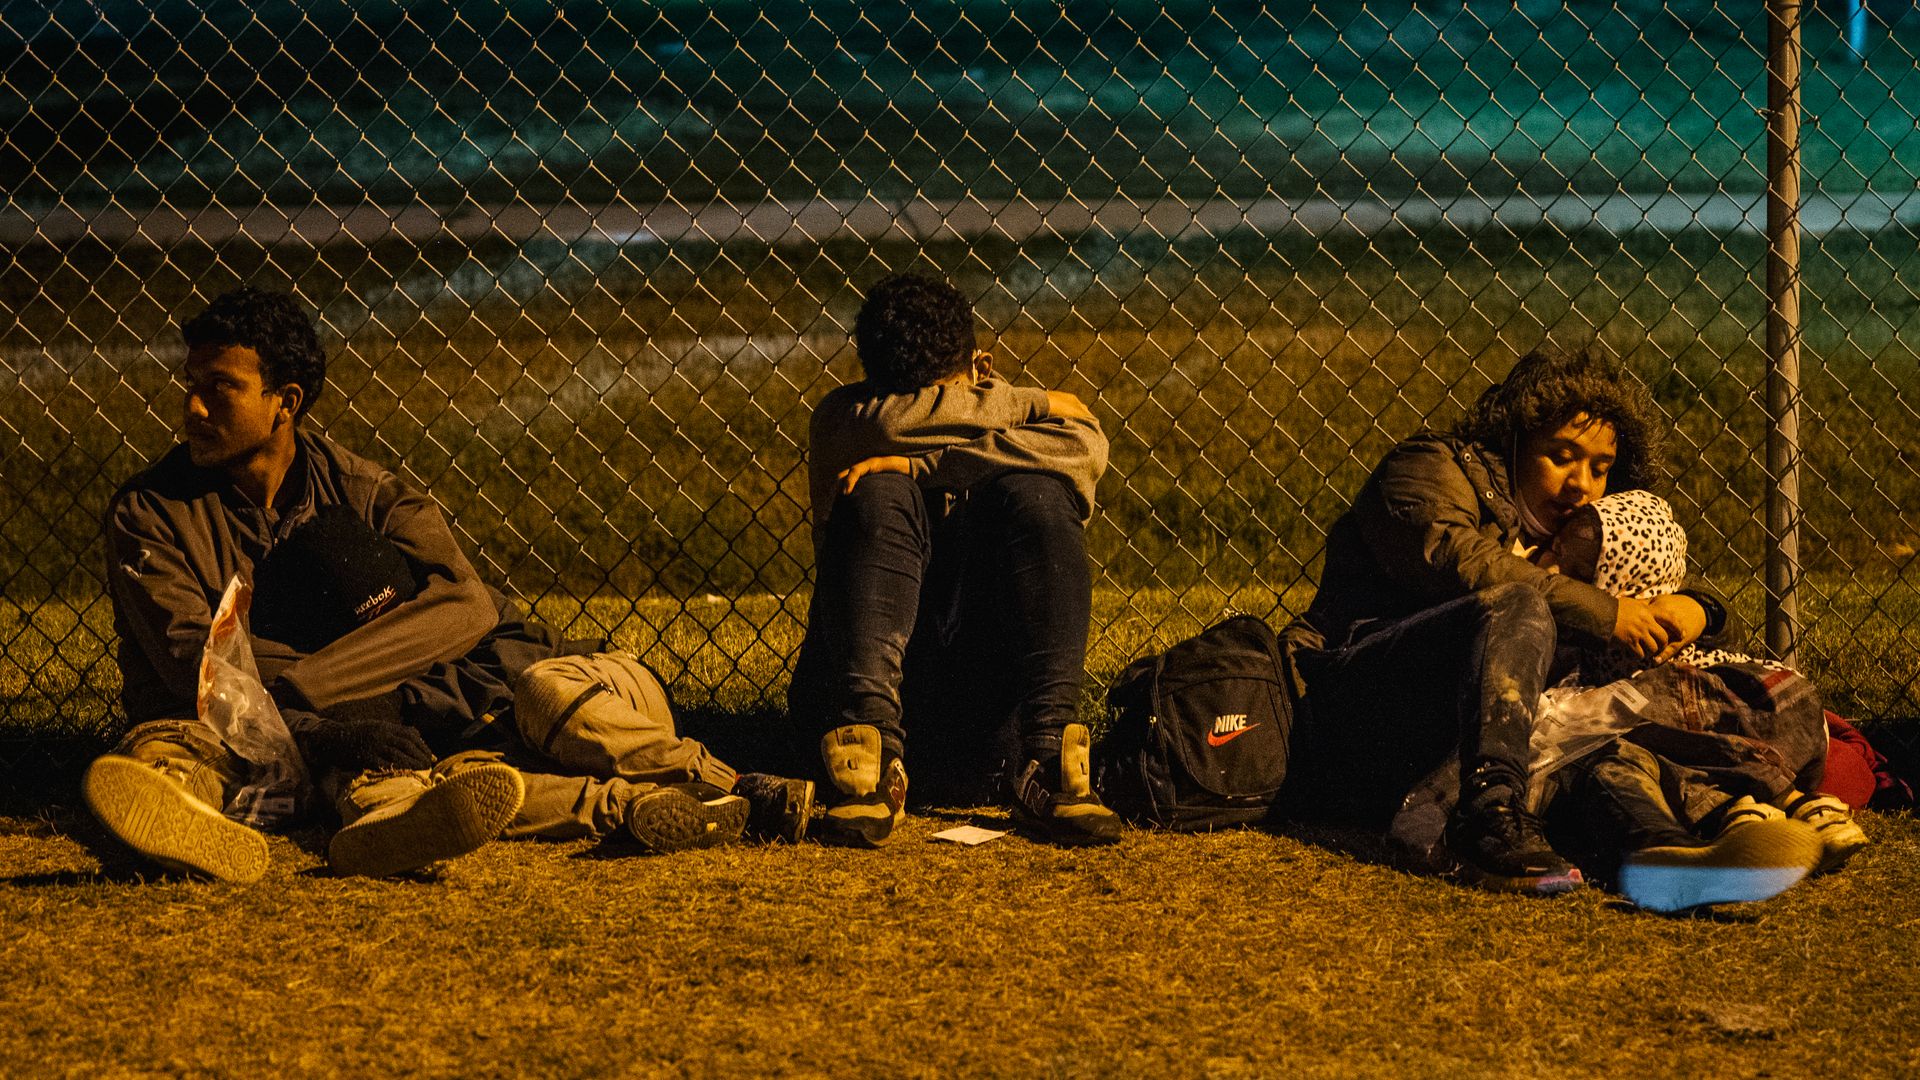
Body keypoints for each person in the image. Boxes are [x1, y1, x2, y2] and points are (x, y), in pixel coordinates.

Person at [84, 286, 810, 883]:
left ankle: (729, 785)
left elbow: (468, 605)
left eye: (221, 389)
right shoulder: (151, 510)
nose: (193, 410)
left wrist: (299, 686)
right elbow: (200, 667)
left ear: (287, 401)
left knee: (526, 706)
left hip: (499, 692)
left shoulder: (367, 493)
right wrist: (337, 703)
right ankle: (201, 824)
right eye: (191, 387)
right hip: (254, 725)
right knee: (205, 751)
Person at [1278, 347, 1737, 892]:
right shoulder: (1426, 469)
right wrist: (1606, 613)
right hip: (1351, 707)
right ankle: (1486, 818)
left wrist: (1702, 609)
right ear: (1513, 441)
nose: (1581, 485)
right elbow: (1461, 562)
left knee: (1586, 733)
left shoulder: (1569, 538)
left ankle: (1662, 853)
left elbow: (1650, 586)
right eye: (1561, 456)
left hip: (1457, 740)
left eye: (1600, 468)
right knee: (1518, 606)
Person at [789, 272, 1121, 847]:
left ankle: (1049, 759)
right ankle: (873, 759)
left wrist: (922, 466)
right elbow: (1081, 434)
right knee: (880, 494)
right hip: (888, 712)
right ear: (982, 367)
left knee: (1035, 493)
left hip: (997, 728)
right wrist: (1028, 401)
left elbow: (1085, 448)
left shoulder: (857, 416)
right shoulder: (849, 422)